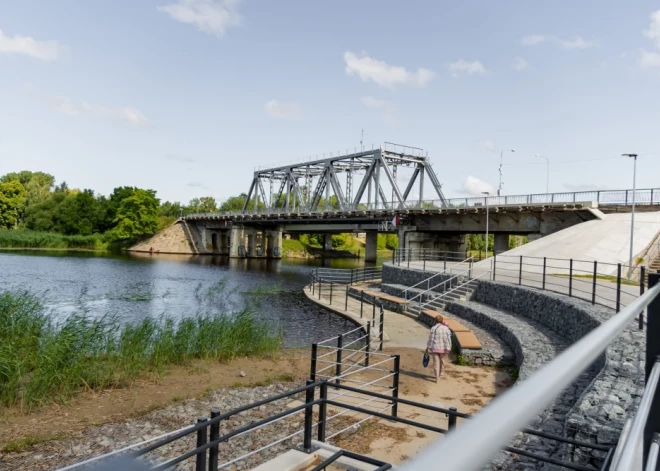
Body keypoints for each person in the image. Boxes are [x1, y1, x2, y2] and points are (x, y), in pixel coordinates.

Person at [426, 314, 452, 383]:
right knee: (442, 361)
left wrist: (428, 347)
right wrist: (449, 347)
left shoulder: (433, 328)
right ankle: (441, 373)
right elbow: (449, 339)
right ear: (442, 320)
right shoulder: (446, 328)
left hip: (435, 347)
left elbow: (430, 339)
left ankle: (437, 378)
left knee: (435, 363)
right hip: (443, 348)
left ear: (435, 321)